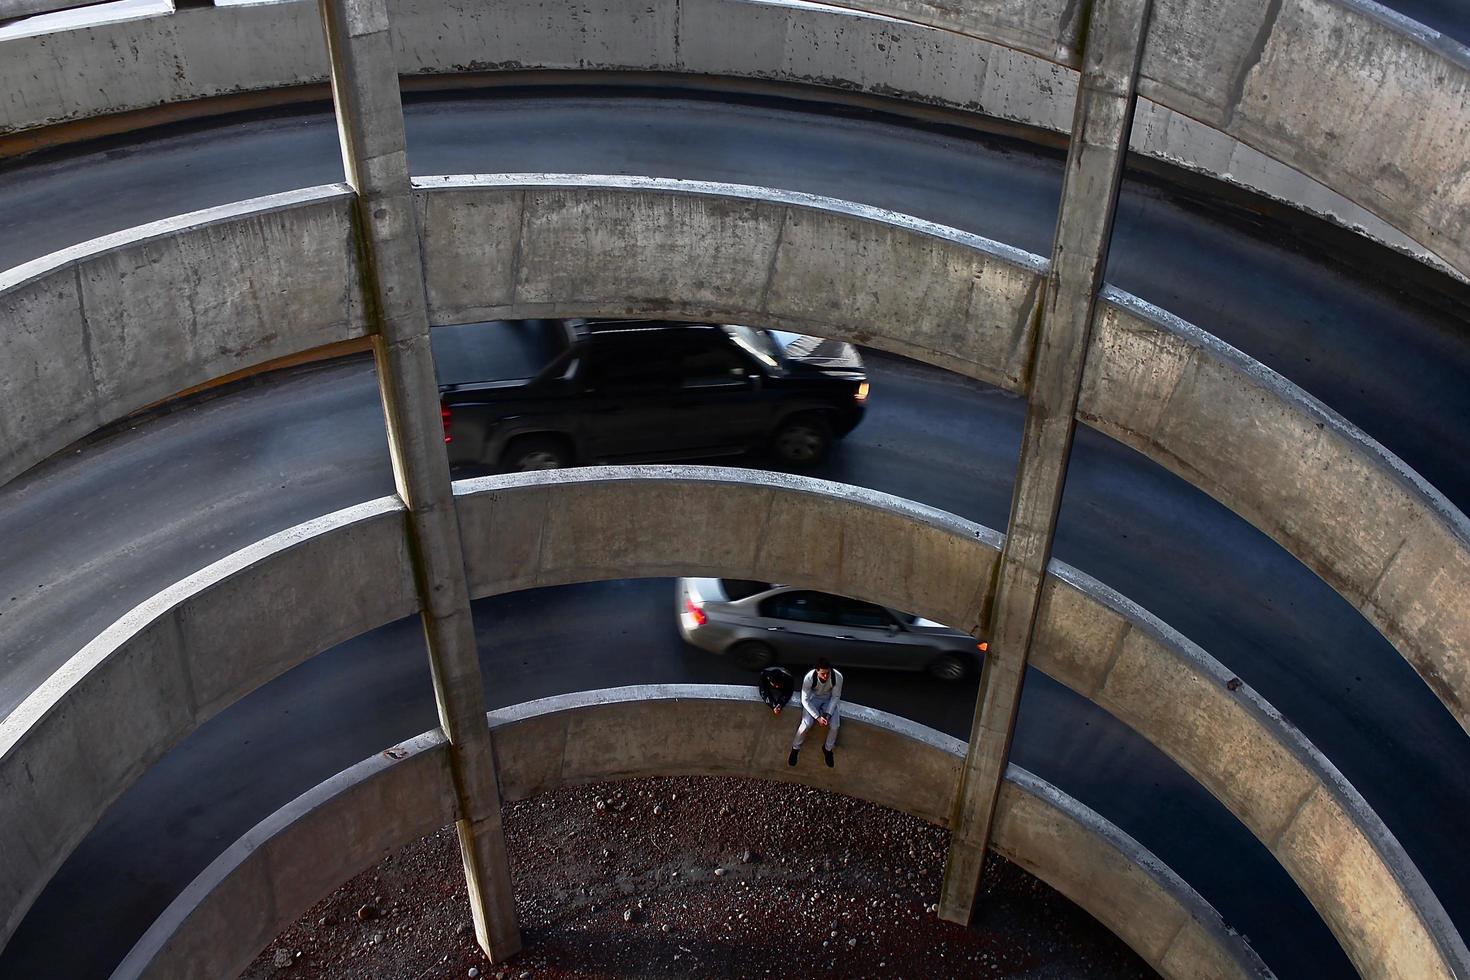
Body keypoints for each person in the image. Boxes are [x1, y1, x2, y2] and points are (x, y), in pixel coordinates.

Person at [788, 659, 842, 768]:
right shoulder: (809, 678)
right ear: (817, 671)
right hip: (813, 699)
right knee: (806, 724)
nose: (826, 676)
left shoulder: (837, 677)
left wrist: (828, 714)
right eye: (823, 674)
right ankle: (795, 748)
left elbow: (836, 696)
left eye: (827, 673)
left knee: (835, 726)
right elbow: (805, 700)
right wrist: (817, 717)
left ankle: (828, 749)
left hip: (828, 699)